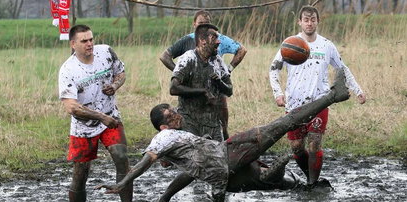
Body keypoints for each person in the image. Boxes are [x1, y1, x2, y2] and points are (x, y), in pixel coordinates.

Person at [96, 68, 351, 201]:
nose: (175, 114)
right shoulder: (163, 139)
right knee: (285, 123)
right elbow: (144, 162)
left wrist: (165, 197)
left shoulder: (177, 139)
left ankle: (292, 177)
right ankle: (333, 95)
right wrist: (123, 182)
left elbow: (190, 172)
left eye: (173, 110)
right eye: (170, 115)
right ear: (162, 127)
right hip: (229, 158)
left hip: (224, 162)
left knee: (263, 178)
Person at [269, 6, 366, 187]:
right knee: (297, 148)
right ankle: (310, 177)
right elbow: (273, 69)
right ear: (300, 22)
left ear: (317, 21)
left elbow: (342, 69)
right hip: (294, 104)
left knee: (314, 145)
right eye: (306, 19)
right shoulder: (290, 43)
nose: (309, 23)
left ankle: (312, 184)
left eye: (313, 19)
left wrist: (358, 90)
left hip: (320, 102)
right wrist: (278, 93)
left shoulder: (326, 45)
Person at [58, 24, 132, 201]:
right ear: (73, 44)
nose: (89, 44)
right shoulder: (68, 70)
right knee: (80, 174)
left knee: (122, 158)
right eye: (84, 41)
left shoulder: (105, 52)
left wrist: (114, 86)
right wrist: (100, 117)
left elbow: (121, 73)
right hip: (83, 127)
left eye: (91, 39)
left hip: (110, 115)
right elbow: (71, 107)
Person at [160, 10, 247, 140]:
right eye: (214, 38)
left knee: (219, 152)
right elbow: (173, 87)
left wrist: (221, 80)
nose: (218, 42)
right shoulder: (188, 57)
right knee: (196, 151)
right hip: (191, 118)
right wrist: (182, 75)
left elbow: (229, 90)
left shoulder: (218, 61)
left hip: (212, 120)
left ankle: (225, 137)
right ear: (202, 40)